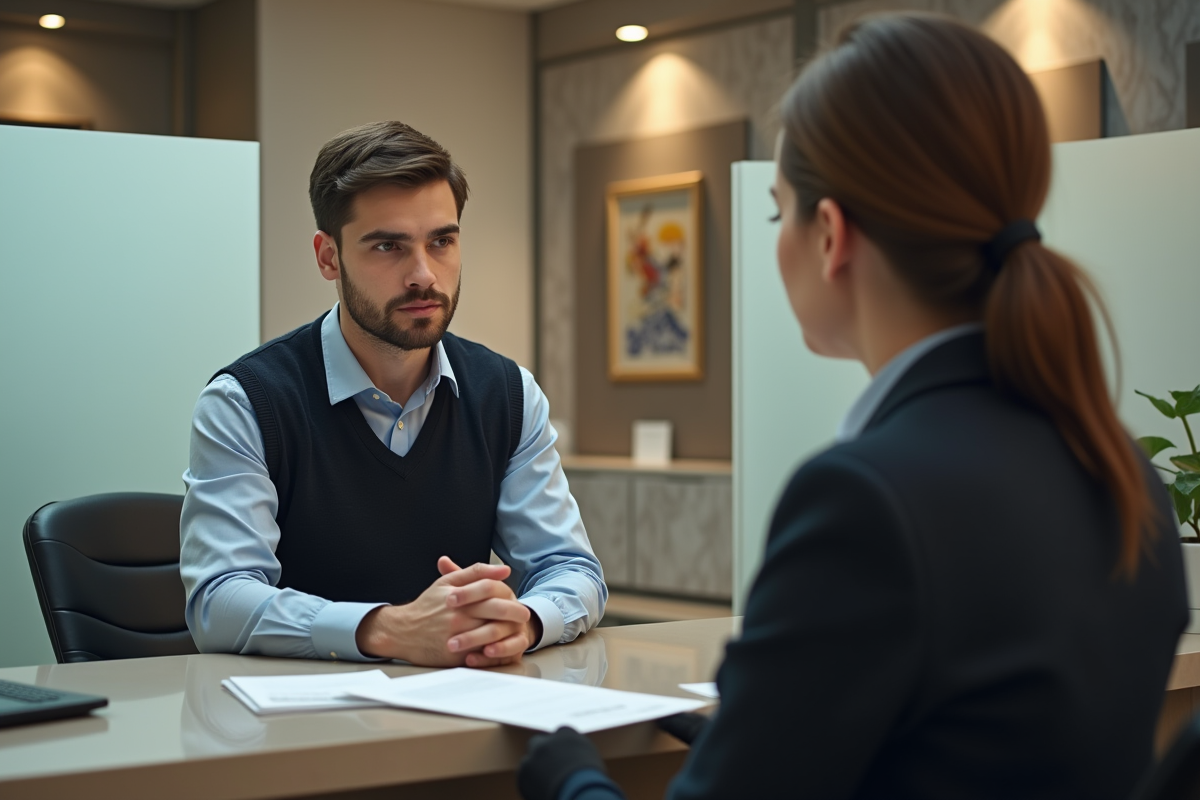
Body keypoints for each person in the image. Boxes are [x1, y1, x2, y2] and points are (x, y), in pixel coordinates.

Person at [517, 13, 1187, 800]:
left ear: (831, 234)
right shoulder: (1124, 472)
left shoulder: (866, 502)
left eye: (779, 212)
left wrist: (570, 779)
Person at [180, 121, 606, 668]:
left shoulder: (508, 394)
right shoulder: (245, 402)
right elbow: (218, 601)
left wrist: (521, 622)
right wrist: (388, 630)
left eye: (442, 242)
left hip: (462, 701)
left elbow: (571, 568)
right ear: (328, 257)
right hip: (298, 712)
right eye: (388, 246)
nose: (424, 275)